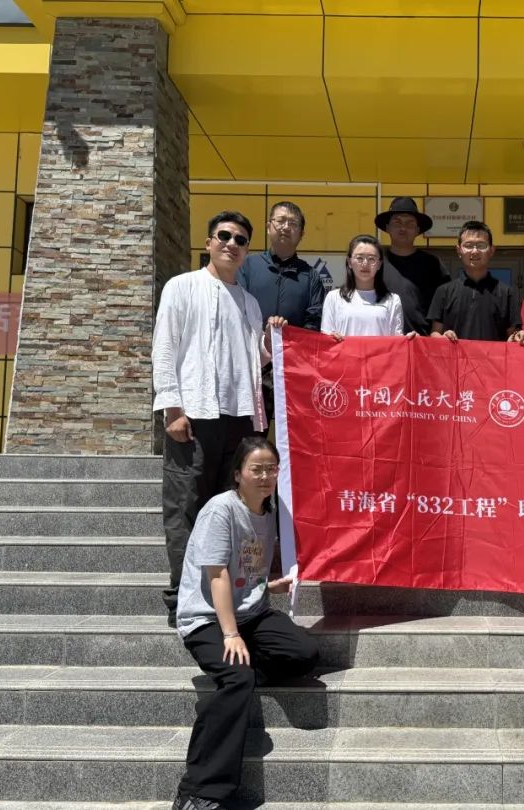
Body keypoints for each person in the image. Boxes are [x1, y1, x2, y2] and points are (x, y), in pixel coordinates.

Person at [153, 211, 285, 629]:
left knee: (232, 509)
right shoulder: (182, 287)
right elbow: (164, 347)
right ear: (209, 242)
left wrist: (273, 341)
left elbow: (254, 360)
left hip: (241, 418)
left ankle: (229, 598)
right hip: (196, 414)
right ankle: (183, 599)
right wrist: (172, 407)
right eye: (224, 236)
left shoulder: (249, 302)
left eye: (240, 240)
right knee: (187, 506)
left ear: (247, 251)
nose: (232, 244)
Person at [173, 437, 320, 810]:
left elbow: (245, 572)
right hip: (208, 619)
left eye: (272, 468)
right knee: (238, 679)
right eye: (257, 469)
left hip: (251, 613)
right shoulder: (220, 510)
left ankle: (245, 666)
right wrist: (230, 634)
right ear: (238, 473)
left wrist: (268, 586)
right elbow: (218, 574)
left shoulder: (270, 512)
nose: (266, 476)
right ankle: (199, 791)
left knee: (305, 653)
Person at [237, 201, 326, 425]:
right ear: (269, 227)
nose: (286, 227)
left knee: (295, 432)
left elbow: (314, 321)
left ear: (302, 234)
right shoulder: (247, 266)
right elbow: (237, 311)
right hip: (252, 366)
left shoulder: (311, 276)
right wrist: (263, 340)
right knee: (250, 434)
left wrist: (291, 344)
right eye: (280, 221)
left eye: (293, 223)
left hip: (293, 368)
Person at [428, 220, 520, 342]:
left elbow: (512, 336)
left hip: (492, 355)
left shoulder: (507, 293)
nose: (475, 251)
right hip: (455, 355)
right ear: (459, 250)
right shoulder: (444, 291)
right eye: (469, 245)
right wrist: (442, 338)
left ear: (491, 250)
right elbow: (435, 333)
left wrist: (517, 336)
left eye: (481, 245)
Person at [376, 196, 450, 335]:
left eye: (409, 224)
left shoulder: (433, 264)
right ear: (387, 228)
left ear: (417, 230)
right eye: (397, 222)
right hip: (383, 340)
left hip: (422, 341)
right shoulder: (376, 262)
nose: (403, 228)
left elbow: (445, 305)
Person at [321, 235, 408, 339]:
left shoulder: (393, 300)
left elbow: (397, 342)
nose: (365, 264)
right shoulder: (333, 297)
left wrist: (411, 340)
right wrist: (331, 337)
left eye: (371, 259)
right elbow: (326, 338)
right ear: (349, 262)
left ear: (379, 264)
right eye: (359, 258)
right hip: (345, 350)